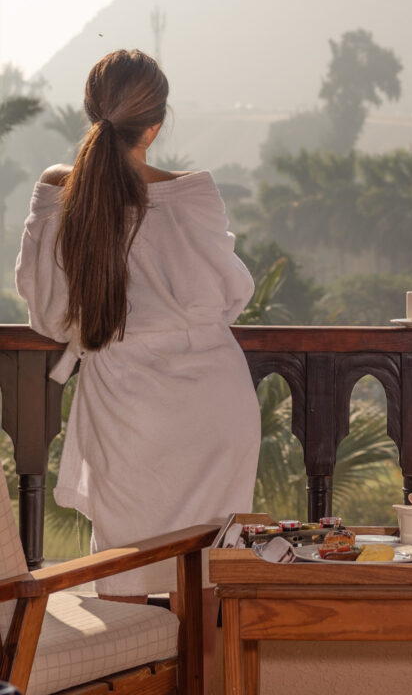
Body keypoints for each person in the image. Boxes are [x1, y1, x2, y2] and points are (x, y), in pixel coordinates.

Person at [15, 49, 261, 688]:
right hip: (213, 403)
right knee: (205, 571)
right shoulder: (194, 194)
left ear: (91, 112)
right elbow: (233, 295)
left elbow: (47, 313)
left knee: (121, 569)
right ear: (154, 124)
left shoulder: (57, 192)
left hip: (129, 410)